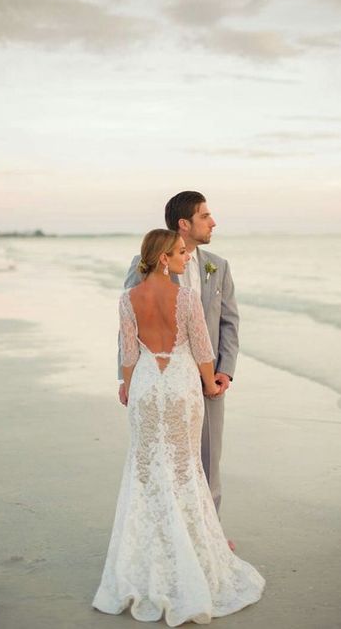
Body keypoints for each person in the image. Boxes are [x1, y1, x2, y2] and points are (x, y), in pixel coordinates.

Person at [92, 229, 265, 626]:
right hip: (182, 387)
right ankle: (190, 557)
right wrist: (211, 384)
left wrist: (127, 386)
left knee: (146, 471)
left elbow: (130, 352)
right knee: (185, 469)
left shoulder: (127, 299)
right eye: (182, 253)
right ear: (164, 258)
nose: (188, 258)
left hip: (148, 389)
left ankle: (144, 563)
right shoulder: (186, 298)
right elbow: (203, 350)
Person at [118, 192, 238, 525]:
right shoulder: (142, 266)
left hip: (209, 377)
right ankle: (169, 529)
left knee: (208, 459)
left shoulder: (219, 266)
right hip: (162, 377)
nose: (213, 222)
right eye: (205, 216)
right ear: (184, 224)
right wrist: (124, 380)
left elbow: (229, 321)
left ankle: (208, 534)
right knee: (165, 457)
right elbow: (128, 328)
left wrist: (224, 371)